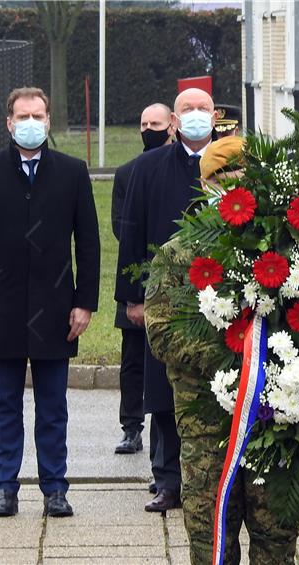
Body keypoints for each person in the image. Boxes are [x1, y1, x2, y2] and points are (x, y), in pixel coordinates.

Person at [143, 135, 299, 564]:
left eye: (244, 174)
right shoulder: (177, 256)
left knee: (277, 545)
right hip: (206, 428)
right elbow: (161, 332)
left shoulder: (284, 249)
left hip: (275, 424)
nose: (235, 184)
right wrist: (235, 357)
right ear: (206, 184)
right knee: (211, 543)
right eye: (223, 175)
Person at [0, 86, 100, 518]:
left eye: (39, 115)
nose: (31, 123)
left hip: (58, 308)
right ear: (9, 122)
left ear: (49, 120)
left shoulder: (73, 172)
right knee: (4, 403)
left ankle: (55, 487)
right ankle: (5, 486)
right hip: (1, 309)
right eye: (24, 116)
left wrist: (85, 303)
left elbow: (89, 244)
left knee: (53, 404)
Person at [115, 87, 217, 513]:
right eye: (187, 110)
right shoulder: (149, 166)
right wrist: (132, 299)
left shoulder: (233, 162)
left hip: (222, 297)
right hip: (165, 299)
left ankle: (215, 479)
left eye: (203, 109)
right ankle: (168, 479)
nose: (195, 116)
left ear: (215, 115)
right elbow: (132, 230)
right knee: (162, 389)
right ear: (174, 121)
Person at [111, 103, 175, 458]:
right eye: (144, 122)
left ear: (170, 127)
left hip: (176, 279)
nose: (149, 128)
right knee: (133, 360)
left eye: (156, 123)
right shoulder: (127, 172)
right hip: (139, 272)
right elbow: (122, 226)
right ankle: (130, 427)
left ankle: (164, 438)